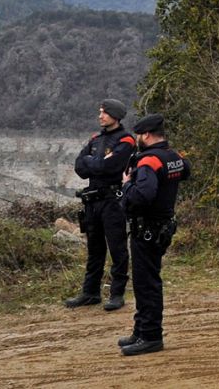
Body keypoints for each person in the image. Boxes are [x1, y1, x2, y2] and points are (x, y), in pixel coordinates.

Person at [117, 113, 190, 357]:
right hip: (162, 227)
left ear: (146, 135)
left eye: (139, 135)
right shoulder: (173, 156)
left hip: (147, 229)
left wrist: (127, 184)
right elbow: (185, 171)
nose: (137, 138)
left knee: (146, 283)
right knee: (147, 280)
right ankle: (141, 330)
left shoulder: (148, 161)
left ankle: (150, 335)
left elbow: (142, 196)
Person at [65, 99, 136, 311]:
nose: (100, 116)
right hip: (92, 202)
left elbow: (111, 166)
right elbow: (80, 167)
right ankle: (90, 292)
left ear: (115, 115)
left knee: (117, 248)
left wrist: (94, 163)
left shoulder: (125, 140)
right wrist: (96, 164)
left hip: (113, 202)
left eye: (104, 113)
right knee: (94, 249)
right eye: (100, 112)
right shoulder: (95, 139)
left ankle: (117, 293)